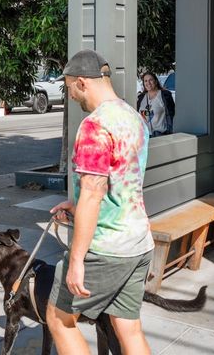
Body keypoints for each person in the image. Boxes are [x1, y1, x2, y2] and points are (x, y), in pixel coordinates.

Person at [47, 49, 154, 355]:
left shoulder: (94, 126)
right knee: (128, 328)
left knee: (59, 319)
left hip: (106, 248)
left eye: (69, 89)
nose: (71, 97)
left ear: (82, 83)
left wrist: (77, 260)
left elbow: (93, 193)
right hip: (139, 242)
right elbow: (121, 184)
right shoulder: (134, 118)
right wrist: (77, 205)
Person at [137, 72, 175, 137]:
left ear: (156, 81)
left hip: (161, 135)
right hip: (145, 136)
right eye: (145, 81)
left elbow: (172, 115)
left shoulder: (165, 95)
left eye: (150, 80)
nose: (148, 83)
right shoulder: (141, 97)